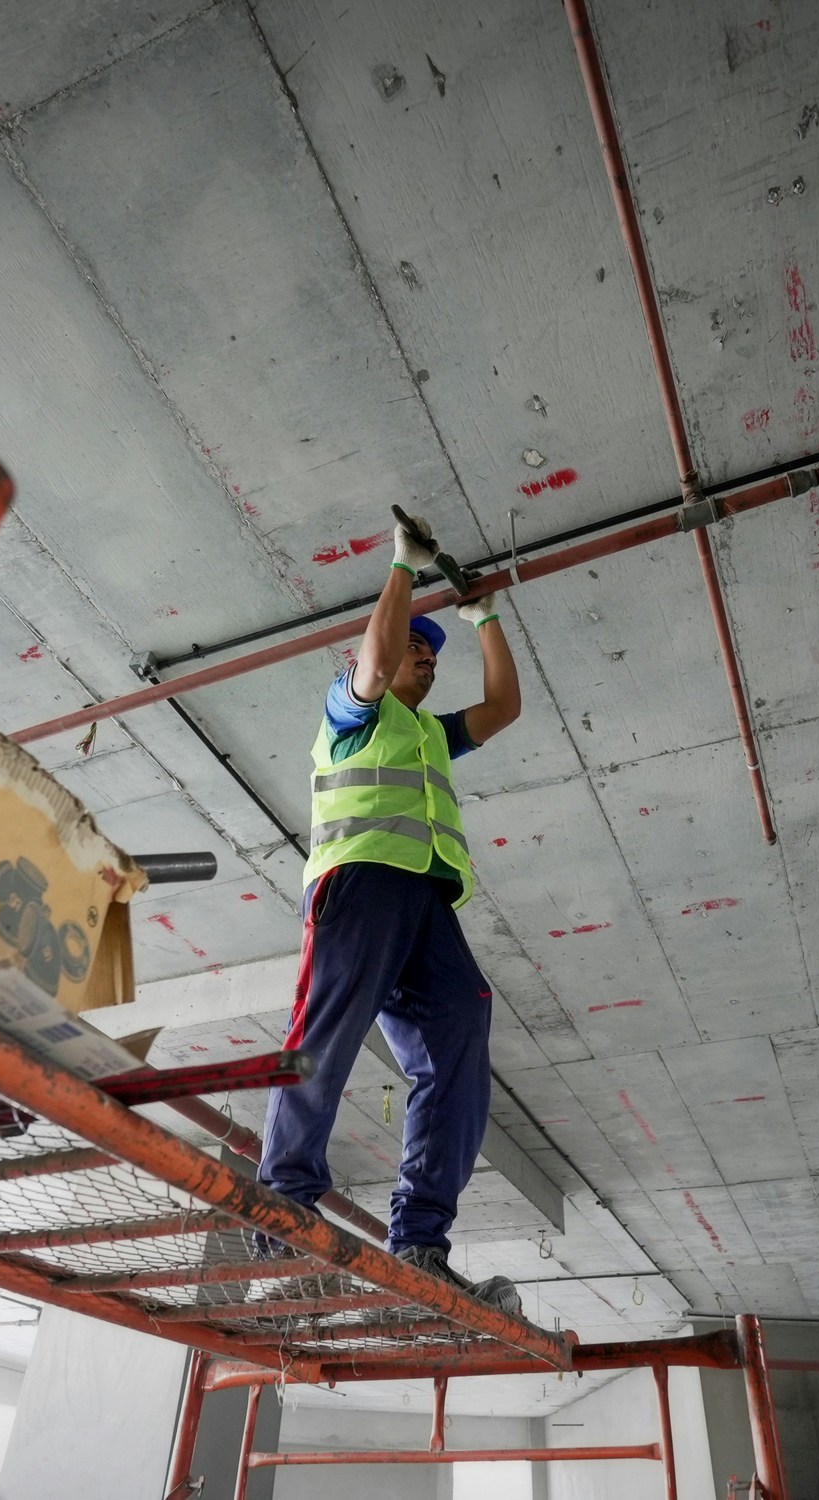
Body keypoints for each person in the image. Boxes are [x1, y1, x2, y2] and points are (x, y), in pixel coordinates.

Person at [258, 512, 524, 1313]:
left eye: (433, 656)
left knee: (460, 1031)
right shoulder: (352, 715)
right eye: (416, 645)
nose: (426, 660)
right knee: (329, 1030)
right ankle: (285, 1203)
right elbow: (373, 658)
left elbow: (504, 706)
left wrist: (484, 616)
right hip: (360, 887)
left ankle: (419, 1240)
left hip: (428, 903)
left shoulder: (433, 737)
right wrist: (403, 569)